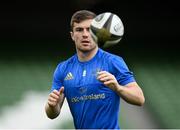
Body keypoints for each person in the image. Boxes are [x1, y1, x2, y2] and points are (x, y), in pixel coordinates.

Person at [45, 10, 145, 129]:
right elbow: (52, 114)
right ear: (72, 35)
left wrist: (118, 88)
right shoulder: (63, 68)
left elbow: (139, 99)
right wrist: (51, 106)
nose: (85, 34)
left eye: (90, 29)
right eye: (79, 30)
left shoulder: (113, 62)